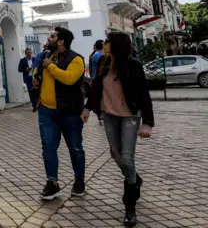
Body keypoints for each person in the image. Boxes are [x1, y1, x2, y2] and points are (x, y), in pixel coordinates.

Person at [82, 32, 154, 227]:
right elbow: (96, 88)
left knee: (127, 157)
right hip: (110, 115)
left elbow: (144, 95)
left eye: (107, 41)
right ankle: (135, 178)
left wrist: (147, 123)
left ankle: (130, 206)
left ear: (116, 45)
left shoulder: (133, 66)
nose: (104, 44)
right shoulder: (104, 63)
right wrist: (88, 107)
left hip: (130, 116)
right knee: (116, 154)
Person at [32, 27, 86, 200]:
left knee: (75, 148)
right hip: (46, 111)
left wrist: (52, 67)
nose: (49, 38)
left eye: (53, 36)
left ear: (61, 41)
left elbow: (69, 79)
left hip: (69, 112)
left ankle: (79, 181)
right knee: (48, 147)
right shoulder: (45, 56)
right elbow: (37, 70)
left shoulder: (76, 59)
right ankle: (52, 183)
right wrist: (36, 77)